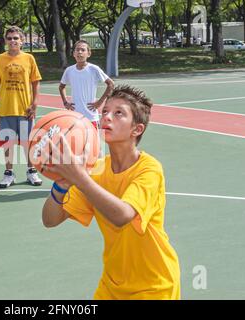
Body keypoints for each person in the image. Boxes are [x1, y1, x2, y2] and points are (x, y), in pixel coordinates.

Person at [42, 85, 181, 300]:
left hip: (154, 286)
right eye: (105, 111)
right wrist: (61, 185)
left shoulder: (149, 169)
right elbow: (50, 220)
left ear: (137, 129)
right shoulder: (96, 170)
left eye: (119, 113)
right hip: (112, 285)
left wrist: (79, 177)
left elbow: (122, 216)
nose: (107, 116)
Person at [0, 26, 42, 188]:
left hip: (25, 109)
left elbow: (35, 82)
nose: (13, 41)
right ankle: (9, 173)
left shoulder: (29, 59)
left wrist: (34, 103)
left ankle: (31, 171)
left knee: (28, 142)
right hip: (6, 109)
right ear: (5, 41)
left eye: (16, 38)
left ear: (22, 41)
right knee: (8, 143)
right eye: (10, 38)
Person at [59, 40, 114, 129]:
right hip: (75, 117)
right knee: (77, 142)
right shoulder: (69, 70)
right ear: (73, 53)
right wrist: (65, 102)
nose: (79, 52)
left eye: (83, 50)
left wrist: (100, 102)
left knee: (93, 142)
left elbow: (111, 84)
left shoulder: (94, 69)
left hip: (91, 117)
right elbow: (61, 87)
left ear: (88, 53)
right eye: (77, 50)